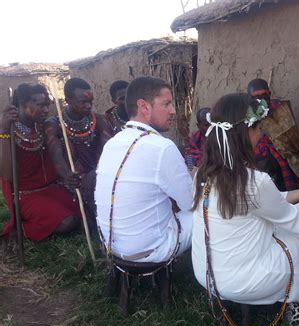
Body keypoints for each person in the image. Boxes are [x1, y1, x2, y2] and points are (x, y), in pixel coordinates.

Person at [192, 93, 299, 326]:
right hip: (242, 281)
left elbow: (269, 200)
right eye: (258, 129)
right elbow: (297, 221)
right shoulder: (253, 181)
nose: (260, 135)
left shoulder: (204, 174)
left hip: (207, 274)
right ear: (245, 133)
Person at [95, 76, 192, 263]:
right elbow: (189, 203)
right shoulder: (162, 147)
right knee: (205, 214)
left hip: (111, 245)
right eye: (167, 104)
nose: (173, 111)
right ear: (144, 107)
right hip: (149, 250)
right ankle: (214, 276)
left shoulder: (113, 142)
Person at [0, 83, 80, 243]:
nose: (45, 110)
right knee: (67, 222)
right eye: (40, 105)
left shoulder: (44, 126)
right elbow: (8, 175)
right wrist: (3, 131)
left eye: (47, 105)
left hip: (52, 188)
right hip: (26, 195)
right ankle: (21, 229)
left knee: (86, 212)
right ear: (23, 105)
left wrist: (67, 175)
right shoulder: (8, 131)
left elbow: (58, 155)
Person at [44, 78, 112, 224]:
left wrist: (101, 174)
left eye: (91, 102)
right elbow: (56, 157)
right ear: (68, 100)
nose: (89, 106)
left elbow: (108, 151)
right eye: (83, 102)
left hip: (100, 174)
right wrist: (68, 176)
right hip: (72, 181)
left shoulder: (100, 120)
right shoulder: (54, 125)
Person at [247, 78, 299, 186]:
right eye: (255, 97)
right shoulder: (246, 118)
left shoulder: (280, 111)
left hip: (286, 159)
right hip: (260, 165)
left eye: (264, 95)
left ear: (269, 94)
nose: (260, 100)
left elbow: (294, 142)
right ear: (249, 98)